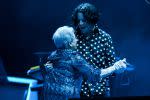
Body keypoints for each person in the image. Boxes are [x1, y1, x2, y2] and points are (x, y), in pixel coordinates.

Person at [40, 26, 127, 100]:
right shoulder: (74, 57)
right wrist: (115, 67)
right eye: (74, 38)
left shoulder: (51, 57)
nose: (77, 40)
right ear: (69, 43)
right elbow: (94, 75)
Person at [71, 2, 121, 98]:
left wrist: (117, 69)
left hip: (99, 92)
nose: (80, 24)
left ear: (92, 20)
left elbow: (111, 67)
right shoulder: (72, 37)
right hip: (76, 92)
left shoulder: (105, 38)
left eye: (84, 20)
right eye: (78, 20)